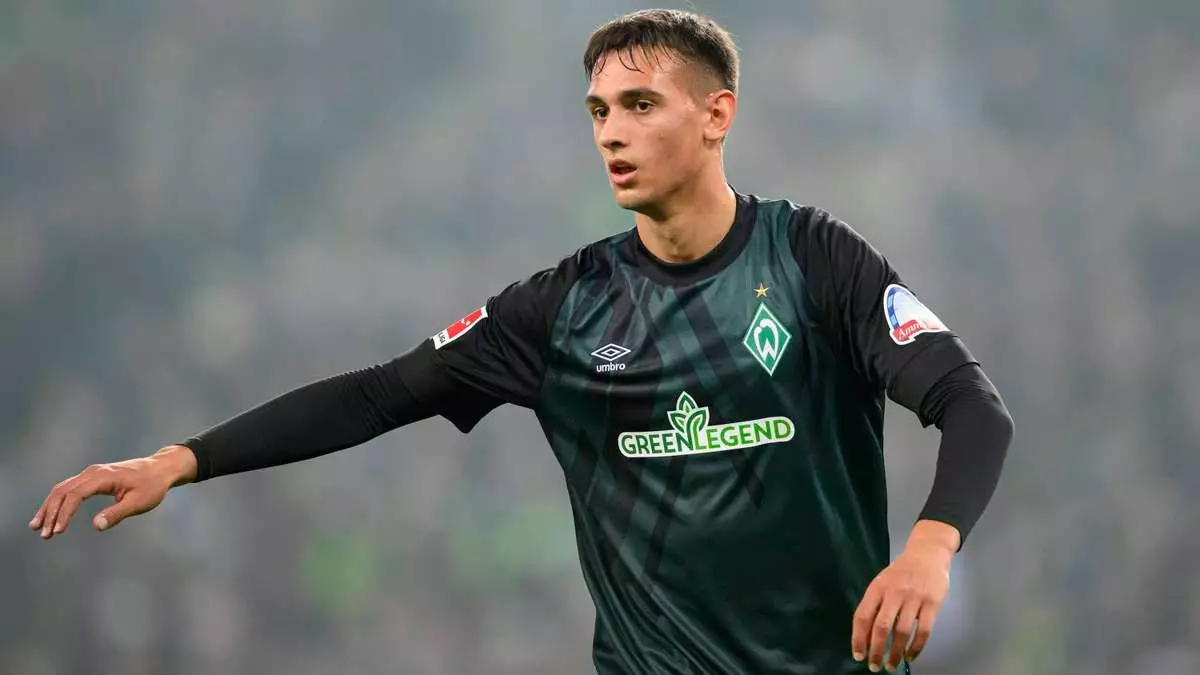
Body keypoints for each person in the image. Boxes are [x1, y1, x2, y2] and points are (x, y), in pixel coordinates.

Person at [30, 9, 1013, 674]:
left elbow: (970, 403)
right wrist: (182, 459)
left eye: (639, 105)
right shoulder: (563, 307)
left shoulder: (810, 258)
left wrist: (930, 548)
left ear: (718, 115)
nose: (611, 132)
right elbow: (379, 393)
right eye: (598, 111)